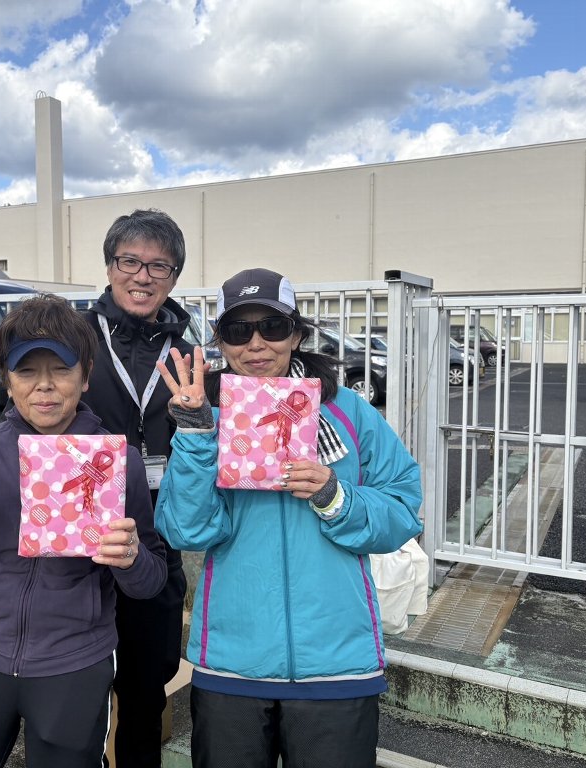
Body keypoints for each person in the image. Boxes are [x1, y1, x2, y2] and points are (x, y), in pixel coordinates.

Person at [153, 268, 424, 768]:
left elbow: (403, 507)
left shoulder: (347, 411)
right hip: (233, 664)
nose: (256, 344)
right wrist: (193, 434)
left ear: (296, 334)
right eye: (239, 331)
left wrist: (335, 496)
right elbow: (186, 529)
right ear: (221, 342)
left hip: (337, 663)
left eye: (272, 327)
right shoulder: (208, 417)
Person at [0, 294, 167, 768]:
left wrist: (131, 557)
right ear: (7, 379)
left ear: (85, 376)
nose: (44, 386)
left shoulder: (116, 460)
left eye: (61, 369)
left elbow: (151, 579)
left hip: (75, 663)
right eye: (26, 371)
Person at [80, 209, 194, 768]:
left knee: (148, 676)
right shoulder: (76, 339)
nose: (143, 277)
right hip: (82, 533)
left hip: (157, 531)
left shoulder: (189, 352)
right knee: (76, 677)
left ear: (173, 278)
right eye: (130, 261)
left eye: (159, 266)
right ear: (109, 267)